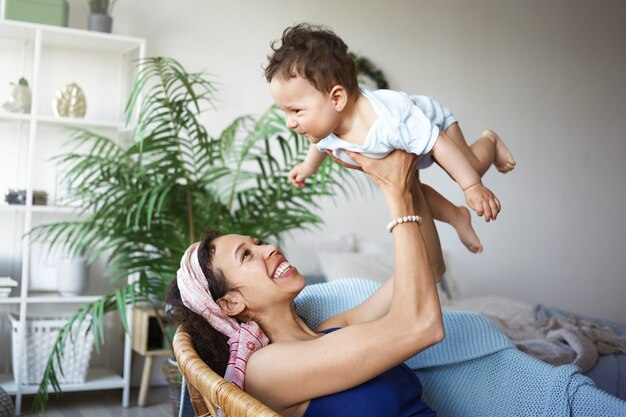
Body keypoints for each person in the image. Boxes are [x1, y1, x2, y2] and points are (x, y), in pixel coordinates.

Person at [167, 149, 445, 417]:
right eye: (247, 255)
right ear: (230, 303)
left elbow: (430, 268)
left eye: (258, 242)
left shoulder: (329, 332)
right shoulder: (265, 370)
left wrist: (408, 175)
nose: (270, 248)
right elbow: (421, 327)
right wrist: (394, 193)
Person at [265, 23, 516, 253]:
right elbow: (319, 145)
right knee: (409, 189)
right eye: (285, 112)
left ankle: (490, 142)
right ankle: (456, 216)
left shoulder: (388, 121)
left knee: (468, 167)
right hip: (408, 147)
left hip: (433, 126)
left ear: (337, 98)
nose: (290, 122)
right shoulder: (325, 126)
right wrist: (307, 168)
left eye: (296, 110)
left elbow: (437, 141)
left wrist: (471, 187)